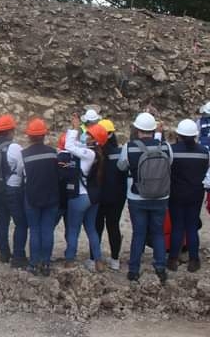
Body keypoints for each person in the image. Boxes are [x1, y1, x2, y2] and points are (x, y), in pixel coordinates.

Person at [117, 112, 173, 283]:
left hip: (137, 196)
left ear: (138, 129)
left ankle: (134, 270)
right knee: (158, 233)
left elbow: (121, 166)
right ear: (152, 129)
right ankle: (160, 267)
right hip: (161, 197)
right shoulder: (165, 146)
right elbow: (169, 163)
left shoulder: (129, 147)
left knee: (139, 233)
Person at [62, 115, 107, 272]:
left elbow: (69, 145)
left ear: (94, 140)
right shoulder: (95, 153)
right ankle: (98, 260)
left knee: (73, 229)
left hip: (79, 197)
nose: (85, 134)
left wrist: (74, 128)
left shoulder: (89, 154)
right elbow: (76, 145)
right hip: (92, 197)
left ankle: (69, 260)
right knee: (91, 229)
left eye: (89, 134)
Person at [168, 119, 210, 272]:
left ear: (179, 134)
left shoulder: (172, 150)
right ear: (195, 135)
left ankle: (173, 259)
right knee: (192, 227)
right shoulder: (204, 152)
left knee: (177, 226)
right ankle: (194, 260)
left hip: (176, 194)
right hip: (195, 194)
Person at [0, 114, 27, 267]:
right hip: (12, 189)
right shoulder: (15, 147)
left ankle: (4, 253)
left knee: (2, 220)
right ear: (10, 131)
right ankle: (18, 256)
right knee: (21, 223)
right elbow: (22, 168)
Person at [22, 118, 59, 276]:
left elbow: (20, 175)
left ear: (29, 136)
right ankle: (46, 263)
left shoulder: (24, 154)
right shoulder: (53, 153)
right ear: (44, 135)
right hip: (51, 197)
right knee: (48, 230)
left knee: (35, 230)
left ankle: (33, 264)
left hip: (32, 197)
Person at [95, 118, 127, 271]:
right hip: (117, 197)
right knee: (113, 227)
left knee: (97, 227)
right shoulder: (121, 153)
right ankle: (115, 260)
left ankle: (94, 257)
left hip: (99, 196)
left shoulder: (95, 153)